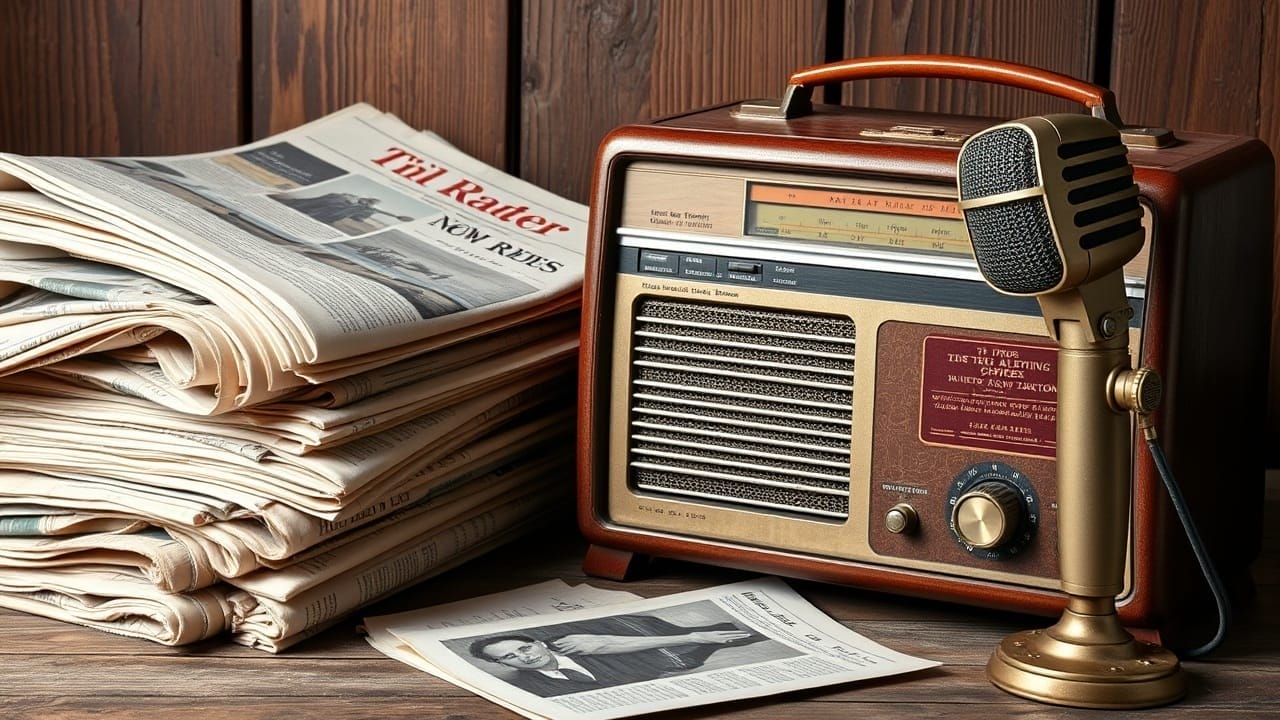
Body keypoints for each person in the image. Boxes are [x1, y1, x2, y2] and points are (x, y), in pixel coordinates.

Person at [468, 614, 766, 697]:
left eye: (525, 648)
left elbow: (607, 643)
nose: (525, 657)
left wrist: (693, 638)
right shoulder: (531, 687)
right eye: (510, 657)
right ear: (500, 663)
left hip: (657, 644)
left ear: (537, 643)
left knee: (724, 636)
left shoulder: (567, 642)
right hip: (660, 672)